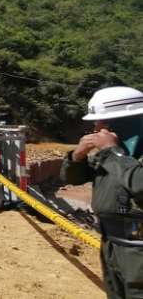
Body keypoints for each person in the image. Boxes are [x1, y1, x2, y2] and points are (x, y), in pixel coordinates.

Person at [61, 86, 143, 298]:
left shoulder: (114, 154)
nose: (96, 128)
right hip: (113, 244)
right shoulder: (115, 154)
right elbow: (72, 179)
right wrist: (76, 157)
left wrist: (111, 152)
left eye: (103, 123)